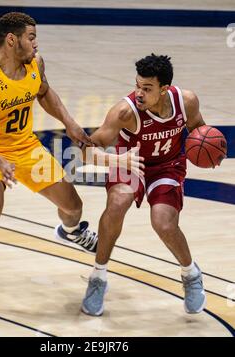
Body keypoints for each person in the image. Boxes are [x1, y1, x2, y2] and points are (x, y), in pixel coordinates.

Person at [0, 12, 98, 313]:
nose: (36, 44)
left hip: (26, 148)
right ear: (12, 40)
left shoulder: (36, 64)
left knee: (73, 207)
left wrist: (70, 123)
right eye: (31, 38)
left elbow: (44, 93)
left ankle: (71, 231)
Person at [81, 54, 207, 316]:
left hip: (168, 165)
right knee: (117, 203)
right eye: (137, 85)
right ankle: (98, 277)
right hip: (129, 162)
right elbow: (86, 152)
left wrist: (208, 148)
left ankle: (191, 274)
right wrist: (118, 159)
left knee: (163, 223)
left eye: (147, 88)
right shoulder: (125, 112)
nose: (139, 92)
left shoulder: (186, 102)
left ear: (164, 89)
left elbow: (200, 132)